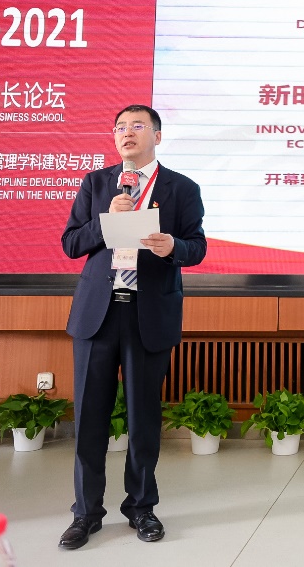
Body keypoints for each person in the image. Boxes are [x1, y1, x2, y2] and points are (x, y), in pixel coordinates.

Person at [57, 105, 206, 549]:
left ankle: (141, 507)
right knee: (90, 419)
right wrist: (107, 221)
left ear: (156, 136)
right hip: (98, 315)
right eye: (120, 127)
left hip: (148, 313)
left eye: (138, 126)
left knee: (143, 418)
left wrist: (172, 246)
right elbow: (71, 243)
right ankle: (86, 513)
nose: (127, 133)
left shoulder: (182, 188)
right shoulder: (96, 183)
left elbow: (197, 246)